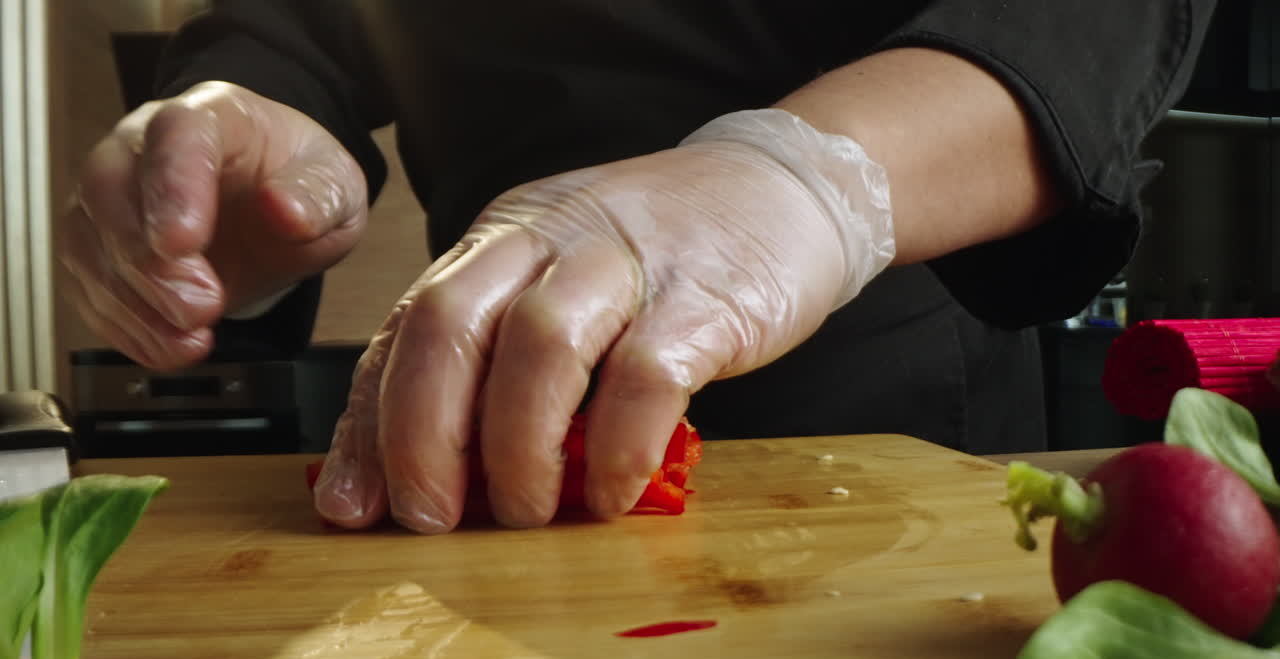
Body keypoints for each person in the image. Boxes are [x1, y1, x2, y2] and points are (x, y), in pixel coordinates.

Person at [60, 1, 1216, 533]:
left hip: (877, 438)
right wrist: (232, 143)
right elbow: (299, 24)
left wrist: (803, 182)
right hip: (480, 428)